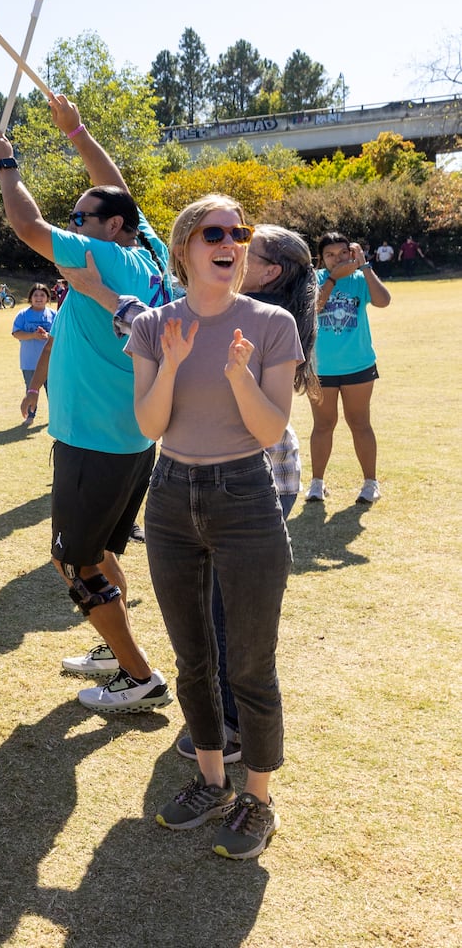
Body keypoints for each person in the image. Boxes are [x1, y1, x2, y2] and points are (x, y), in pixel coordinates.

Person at [0, 92, 175, 715]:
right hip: (128, 436)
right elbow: (115, 189)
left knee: (71, 561)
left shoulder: (103, 254)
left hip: (96, 439)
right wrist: (77, 133)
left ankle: (138, 675)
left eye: (84, 217)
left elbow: (27, 227)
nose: (77, 223)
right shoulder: (147, 254)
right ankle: (112, 650)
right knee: (101, 552)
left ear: (109, 227)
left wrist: (5, 167)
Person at [126, 195, 302, 860]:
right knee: (193, 660)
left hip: (244, 498)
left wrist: (236, 373)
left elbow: (269, 429)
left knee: (248, 663)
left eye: (239, 232)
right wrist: (171, 363)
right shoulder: (151, 326)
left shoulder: (270, 324)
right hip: (170, 498)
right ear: (184, 248)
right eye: (214, 232)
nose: (230, 242)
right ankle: (209, 781)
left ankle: (256, 798)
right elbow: (148, 425)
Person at [174, 223, 318, 766]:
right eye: (212, 238)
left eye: (243, 245)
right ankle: (225, 716)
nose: (227, 249)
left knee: (227, 613)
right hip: (262, 476)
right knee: (217, 606)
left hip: (256, 479)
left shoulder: (259, 322)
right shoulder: (244, 310)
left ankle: (231, 725)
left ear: (270, 271)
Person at [306, 232, 393, 505]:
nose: (337, 259)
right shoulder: (315, 280)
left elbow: (383, 300)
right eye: (330, 255)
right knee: (323, 425)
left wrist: (365, 266)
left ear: (352, 252)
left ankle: (370, 484)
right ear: (321, 259)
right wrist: (332, 279)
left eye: (343, 252)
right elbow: (313, 309)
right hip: (322, 368)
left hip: (358, 363)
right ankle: (317, 484)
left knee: (359, 423)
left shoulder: (360, 278)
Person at [12, 282, 56, 424]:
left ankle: (55, 417)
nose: (38, 298)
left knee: (54, 391)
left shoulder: (53, 314)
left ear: (47, 298)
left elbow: (60, 336)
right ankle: (30, 416)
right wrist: (33, 335)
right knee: (31, 390)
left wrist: (47, 336)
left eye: (42, 295)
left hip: (51, 361)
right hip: (29, 361)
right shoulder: (23, 314)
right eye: (35, 295)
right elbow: (16, 333)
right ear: (30, 298)